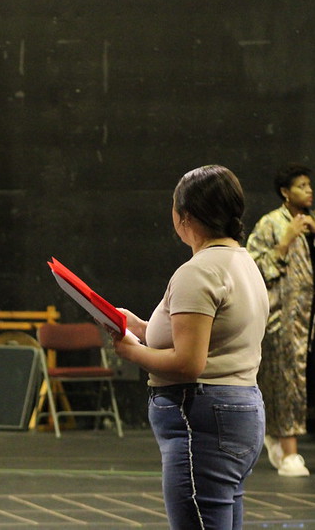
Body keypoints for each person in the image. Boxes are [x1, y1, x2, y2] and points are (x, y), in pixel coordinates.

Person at [111, 165, 268, 529]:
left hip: (203, 417)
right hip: (239, 411)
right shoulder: (243, 262)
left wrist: (130, 350)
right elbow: (210, 339)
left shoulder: (198, 272)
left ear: (185, 216)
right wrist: (140, 327)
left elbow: (188, 362)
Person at [245, 163, 315, 477]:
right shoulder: (270, 224)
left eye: (310, 185)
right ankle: (289, 451)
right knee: (287, 379)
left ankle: (283, 441)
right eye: (301, 185)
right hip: (286, 318)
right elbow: (252, 267)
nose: (308, 190)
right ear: (285, 192)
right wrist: (284, 243)